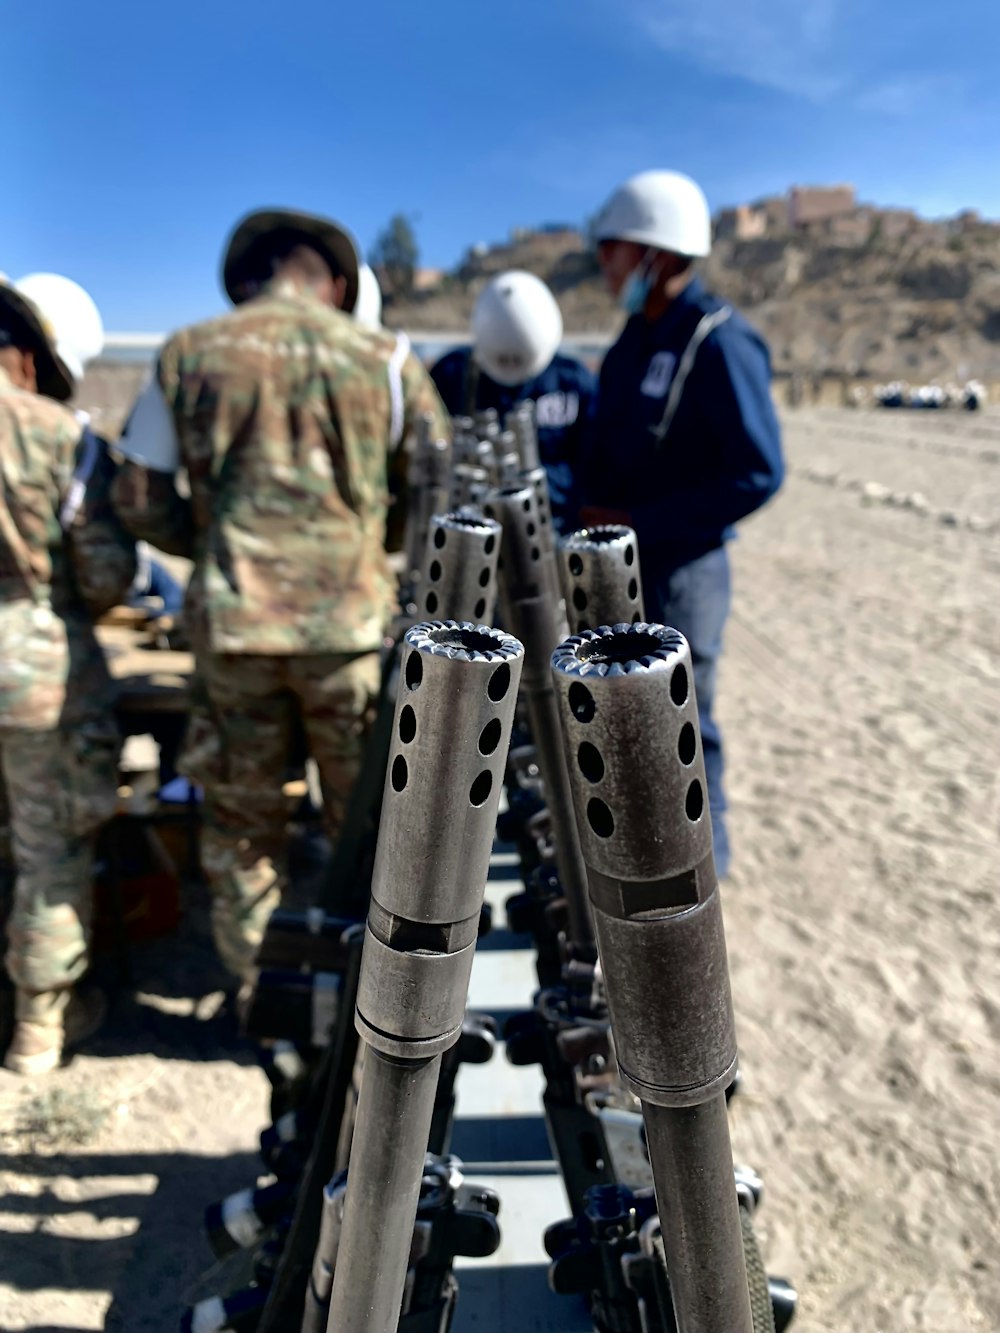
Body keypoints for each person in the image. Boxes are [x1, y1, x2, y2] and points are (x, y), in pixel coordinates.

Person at [111, 207, 450, 985]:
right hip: (350, 634)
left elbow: (136, 495)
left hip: (235, 635)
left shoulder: (187, 353)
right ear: (336, 282)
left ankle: (259, 1004)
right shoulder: (388, 358)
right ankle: (376, 1010)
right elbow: (434, 487)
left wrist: (210, 540)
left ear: (249, 277)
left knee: (242, 828)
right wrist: (369, 540)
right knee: (367, 826)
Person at [581, 170, 784, 879]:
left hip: (686, 566)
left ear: (654, 253)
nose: (604, 268)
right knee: (623, 718)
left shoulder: (719, 342)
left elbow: (758, 472)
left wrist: (642, 519)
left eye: (611, 251)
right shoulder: (630, 344)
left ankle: (704, 869)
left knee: (685, 717)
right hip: (623, 564)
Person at [1, 275, 136, 1075]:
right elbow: (106, 573)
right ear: (25, 357)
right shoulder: (62, 437)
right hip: (37, 675)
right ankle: (38, 1028)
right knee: (48, 849)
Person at [430, 270, 596, 532]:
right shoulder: (454, 376)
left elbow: (594, 466)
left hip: (555, 526)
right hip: (471, 526)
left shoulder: (573, 382)